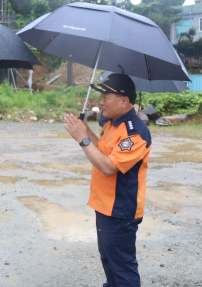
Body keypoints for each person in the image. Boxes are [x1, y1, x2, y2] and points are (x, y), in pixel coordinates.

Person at [63, 73, 151, 287]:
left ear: (124, 101)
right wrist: (86, 132)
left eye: (105, 97)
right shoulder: (112, 124)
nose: (100, 103)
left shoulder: (135, 133)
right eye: (100, 97)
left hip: (120, 211)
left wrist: (83, 140)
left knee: (122, 267)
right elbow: (102, 151)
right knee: (109, 261)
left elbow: (108, 167)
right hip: (104, 206)